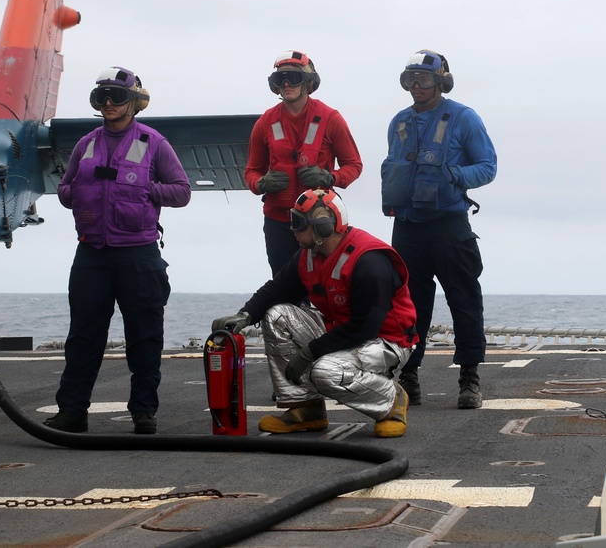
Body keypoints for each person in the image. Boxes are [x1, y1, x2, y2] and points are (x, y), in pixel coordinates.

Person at [45, 67, 191, 435]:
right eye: (101, 97)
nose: (108, 103)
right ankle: (72, 411)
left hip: (138, 253)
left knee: (144, 335)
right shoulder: (87, 143)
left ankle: (144, 411)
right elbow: (63, 191)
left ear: (134, 102)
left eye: (116, 96)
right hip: (91, 254)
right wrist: (76, 192)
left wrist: (145, 190)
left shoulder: (153, 142)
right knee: (83, 335)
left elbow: (181, 191)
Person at [212, 189, 416, 438]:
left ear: (323, 227)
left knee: (325, 372)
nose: (292, 230)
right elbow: (277, 289)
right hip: (343, 329)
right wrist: (245, 315)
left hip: (387, 340)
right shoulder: (309, 255)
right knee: (277, 316)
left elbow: (366, 327)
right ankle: (306, 408)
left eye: (298, 224)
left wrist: (310, 352)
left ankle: (391, 400)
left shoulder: (369, 260)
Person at [380, 50, 497, 409]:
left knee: (464, 300)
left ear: (441, 81)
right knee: (408, 306)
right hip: (408, 227)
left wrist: (457, 175)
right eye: (410, 79)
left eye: (425, 79)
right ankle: (410, 377)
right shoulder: (399, 122)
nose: (417, 86)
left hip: (449, 227)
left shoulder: (464, 118)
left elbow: (488, 166)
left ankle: (469, 379)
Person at [245, 50, 363, 276]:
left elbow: (354, 165)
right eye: (281, 79)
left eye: (294, 78)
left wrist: (330, 178)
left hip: (321, 220)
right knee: (283, 284)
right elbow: (251, 171)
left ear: (308, 83)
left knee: (323, 282)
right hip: (278, 220)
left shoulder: (331, 119)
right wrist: (261, 184)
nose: (287, 84)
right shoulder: (265, 122)